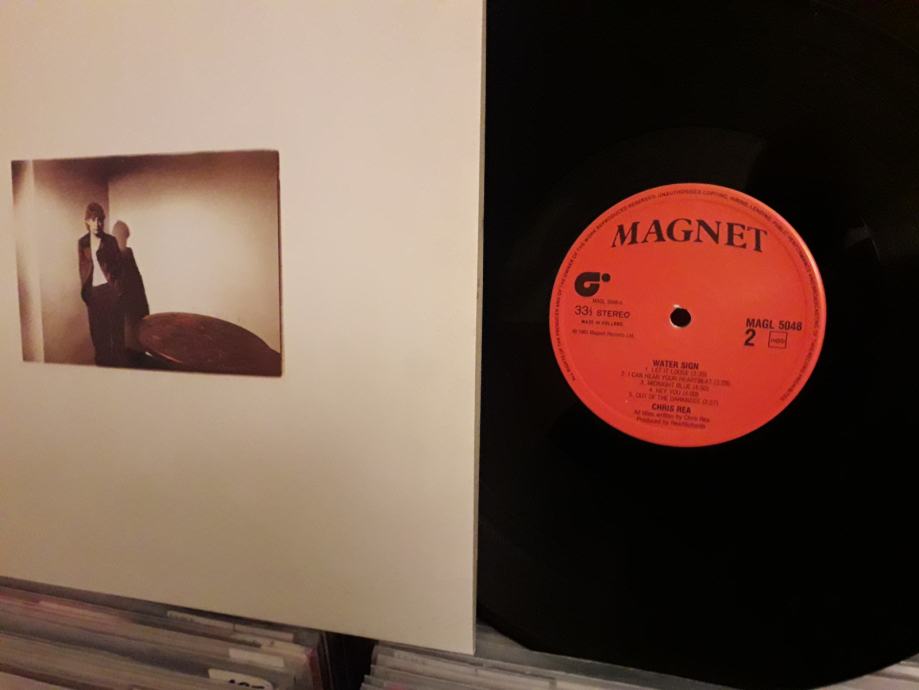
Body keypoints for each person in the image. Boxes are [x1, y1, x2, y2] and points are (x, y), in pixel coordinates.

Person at [78, 202, 126, 366]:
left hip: (111, 291)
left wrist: (118, 290)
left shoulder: (111, 241)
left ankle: (120, 369)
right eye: (93, 220)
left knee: (116, 334)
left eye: (100, 220)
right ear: (87, 221)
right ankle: (102, 369)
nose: (97, 224)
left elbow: (119, 268)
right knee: (98, 336)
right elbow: (82, 268)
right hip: (94, 294)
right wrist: (86, 292)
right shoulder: (82, 242)